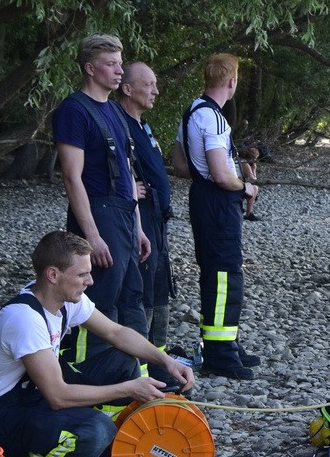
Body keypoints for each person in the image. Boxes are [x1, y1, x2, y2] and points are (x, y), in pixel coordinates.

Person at [0, 231, 195, 457]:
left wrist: (167, 361)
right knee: (96, 428)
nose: (90, 281)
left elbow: (116, 333)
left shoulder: (62, 301)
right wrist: (130, 388)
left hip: (31, 394)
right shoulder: (25, 319)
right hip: (1, 417)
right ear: (53, 275)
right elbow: (58, 396)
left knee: (122, 363)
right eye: (82, 275)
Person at [52, 34, 149, 368]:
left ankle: (138, 379)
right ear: (90, 68)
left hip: (123, 216)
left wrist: (137, 228)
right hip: (97, 214)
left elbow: (127, 173)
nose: (119, 71)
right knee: (96, 301)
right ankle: (86, 375)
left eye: (120, 63)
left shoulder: (115, 111)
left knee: (131, 298)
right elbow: (71, 176)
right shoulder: (74, 110)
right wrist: (91, 236)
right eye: (111, 64)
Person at [172, 53, 261, 379]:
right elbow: (222, 174)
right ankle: (220, 354)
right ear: (231, 81)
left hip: (201, 197)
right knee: (226, 277)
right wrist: (245, 189)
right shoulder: (215, 119)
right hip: (218, 200)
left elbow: (181, 165)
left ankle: (226, 343)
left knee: (216, 273)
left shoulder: (192, 112)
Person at [118, 62, 175, 352]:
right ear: (127, 89)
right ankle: (141, 357)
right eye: (149, 84)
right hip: (140, 220)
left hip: (157, 219)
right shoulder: (120, 124)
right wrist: (129, 188)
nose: (156, 90)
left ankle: (159, 353)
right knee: (144, 285)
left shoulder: (143, 126)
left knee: (159, 284)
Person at [238, 146, 262, 221]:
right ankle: (249, 213)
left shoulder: (241, 161)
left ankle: (247, 212)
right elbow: (254, 179)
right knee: (255, 187)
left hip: (237, 182)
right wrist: (254, 169)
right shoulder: (245, 164)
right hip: (237, 184)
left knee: (253, 187)